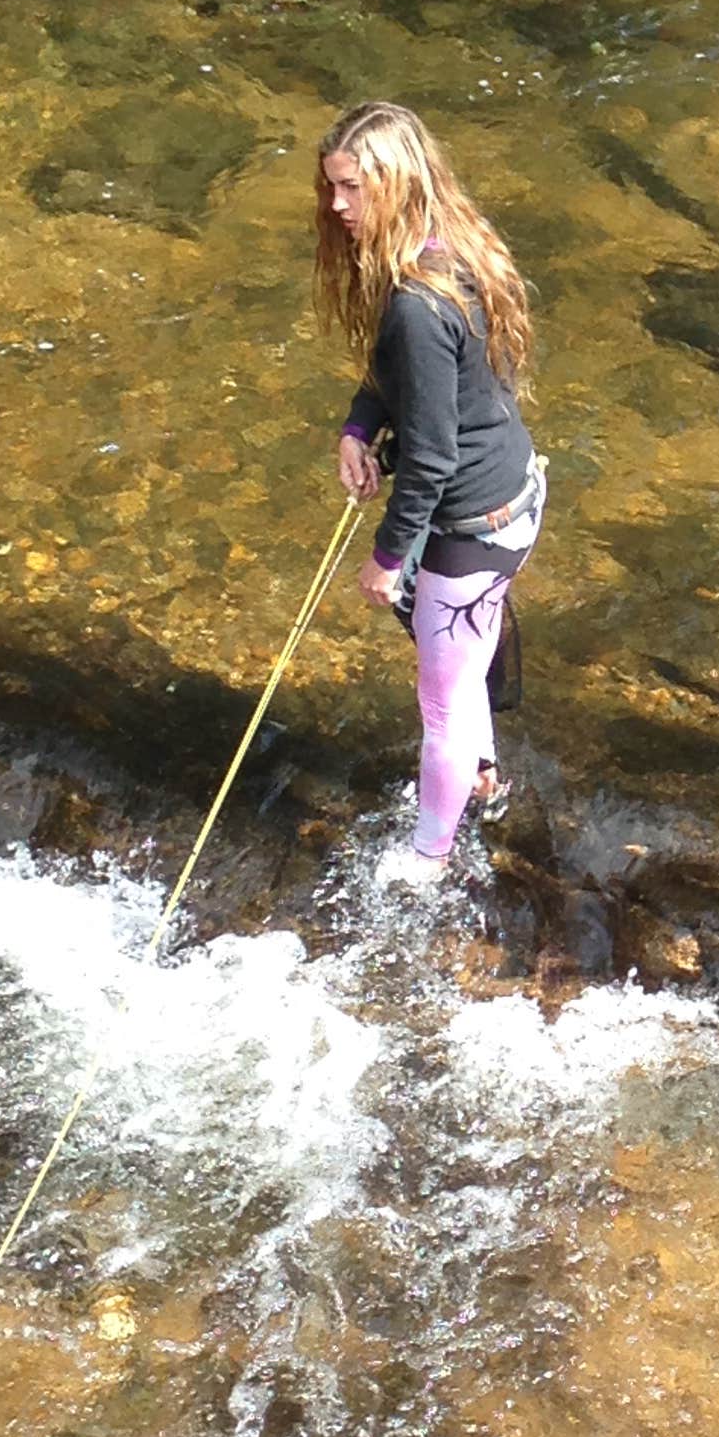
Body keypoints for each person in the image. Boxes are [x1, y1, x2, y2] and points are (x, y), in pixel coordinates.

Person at [315, 101, 546, 892]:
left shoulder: (415, 301)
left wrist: (387, 558)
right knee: (461, 671)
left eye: (350, 188)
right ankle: (484, 778)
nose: (337, 206)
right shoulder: (444, 252)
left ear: (392, 180)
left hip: (472, 524)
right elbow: (408, 376)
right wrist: (359, 423)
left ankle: (429, 859)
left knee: (440, 708)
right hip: (515, 498)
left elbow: (433, 458)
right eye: (332, 189)